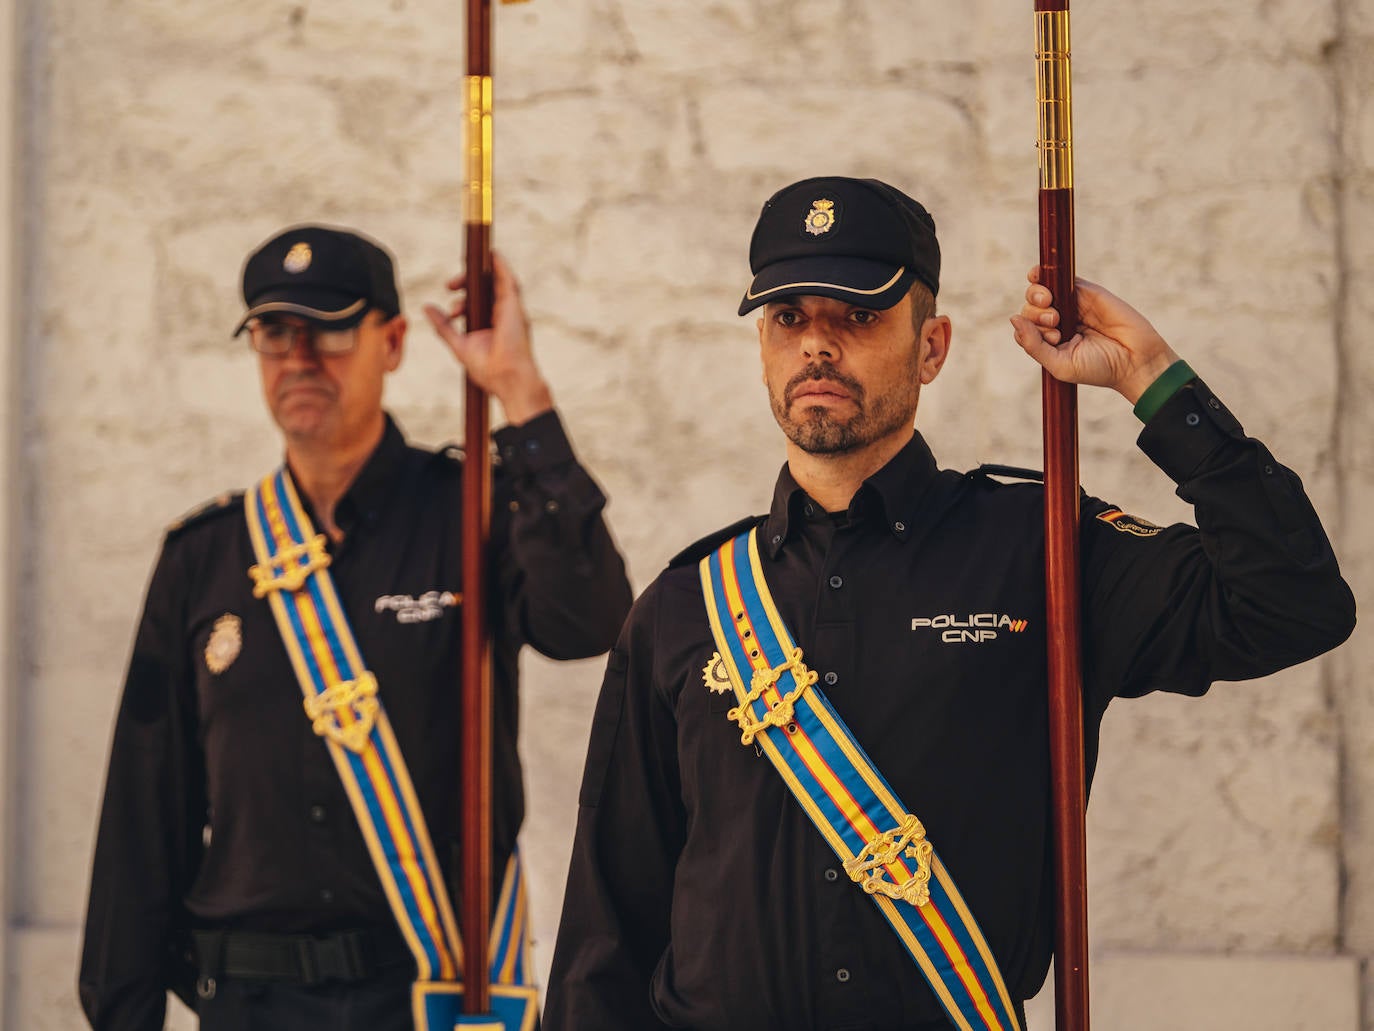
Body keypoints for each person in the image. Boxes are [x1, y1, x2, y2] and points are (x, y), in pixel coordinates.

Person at [543, 176, 1356, 1031]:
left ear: (932, 348)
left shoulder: (1044, 549)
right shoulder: (686, 605)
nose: (817, 345)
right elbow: (608, 926)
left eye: (857, 316)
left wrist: (1152, 380)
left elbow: (1292, 603)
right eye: (789, 318)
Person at [79, 224, 634, 1030]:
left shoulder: (474, 508)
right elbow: (143, 810)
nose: (300, 356)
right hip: (247, 1001)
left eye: (332, 327)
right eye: (274, 331)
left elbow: (591, 619)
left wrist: (519, 390)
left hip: (429, 995)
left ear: (395, 341)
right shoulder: (201, 557)